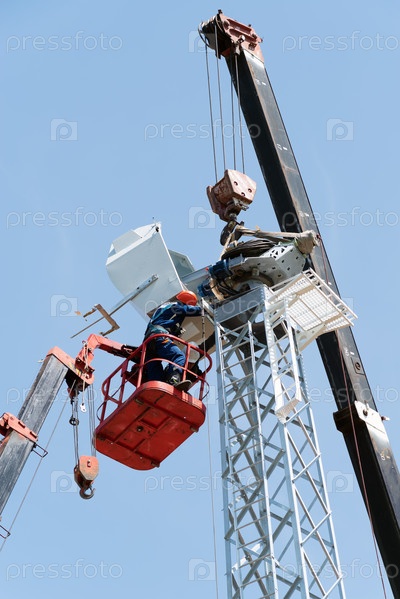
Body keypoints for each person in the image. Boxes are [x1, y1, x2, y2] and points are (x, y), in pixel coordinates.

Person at [143, 290, 203, 386]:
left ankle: (156, 385)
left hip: (149, 340)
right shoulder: (176, 306)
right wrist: (204, 308)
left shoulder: (166, 308)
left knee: (154, 364)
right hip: (159, 337)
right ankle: (173, 380)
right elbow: (188, 310)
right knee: (178, 356)